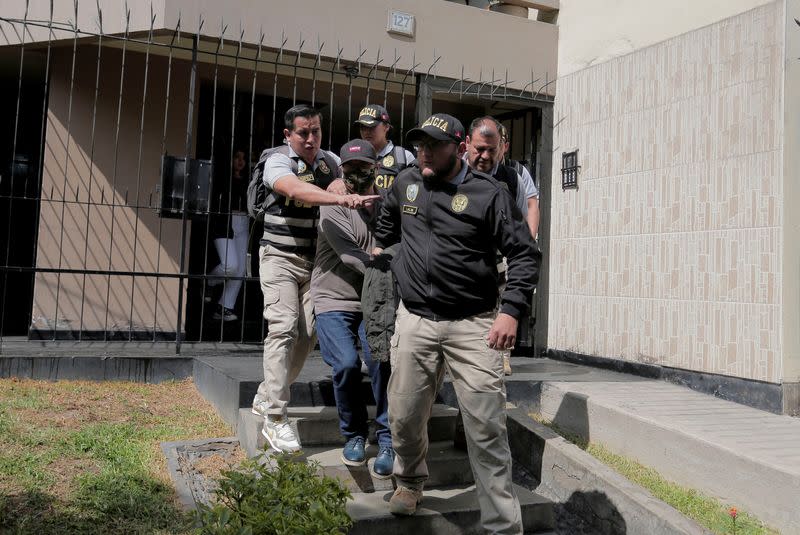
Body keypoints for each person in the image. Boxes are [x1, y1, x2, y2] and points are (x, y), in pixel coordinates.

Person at [373, 113, 540, 533]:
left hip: (473, 324)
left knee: (486, 428)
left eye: (434, 144)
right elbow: (387, 230)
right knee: (405, 416)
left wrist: (511, 310)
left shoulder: (489, 193)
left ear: (459, 145)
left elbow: (524, 255)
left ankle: (502, 525)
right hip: (416, 320)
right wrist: (400, 269)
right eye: (420, 144)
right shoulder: (406, 182)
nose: (424, 151)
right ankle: (409, 482)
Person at [250, 104, 379, 453]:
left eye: (316, 131)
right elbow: (293, 189)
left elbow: (342, 178)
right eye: (303, 132)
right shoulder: (278, 160)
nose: (310, 139)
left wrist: (341, 182)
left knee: (307, 335)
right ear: (287, 135)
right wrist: (341, 198)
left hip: (314, 266)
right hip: (280, 258)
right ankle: (276, 419)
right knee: (283, 326)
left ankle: (266, 393)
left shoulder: (330, 161)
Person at [311, 139, 394, 478]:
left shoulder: (386, 205)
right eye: (350, 169)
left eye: (364, 168)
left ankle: (387, 438)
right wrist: (389, 262)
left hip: (372, 300)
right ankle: (355, 436)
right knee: (346, 364)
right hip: (333, 298)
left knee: (381, 360)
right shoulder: (333, 202)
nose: (357, 175)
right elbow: (350, 255)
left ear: (376, 167)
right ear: (342, 169)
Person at [206, 149, 249, 321]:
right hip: (225, 220)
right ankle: (208, 281)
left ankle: (224, 307)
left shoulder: (247, 180)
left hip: (243, 221)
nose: (241, 161)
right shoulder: (222, 178)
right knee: (230, 265)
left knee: (239, 270)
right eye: (237, 157)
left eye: (243, 158)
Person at [355, 104, 414, 194]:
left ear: (386, 127)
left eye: (372, 127)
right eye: (363, 127)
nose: (367, 131)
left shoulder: (403, 156)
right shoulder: (354, 157)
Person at [498, 123, 540, 239]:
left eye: (499, 142)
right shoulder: (470, 165)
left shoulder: (518, 171)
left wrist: (529, 243)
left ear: (505, 146)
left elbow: (531, 205)